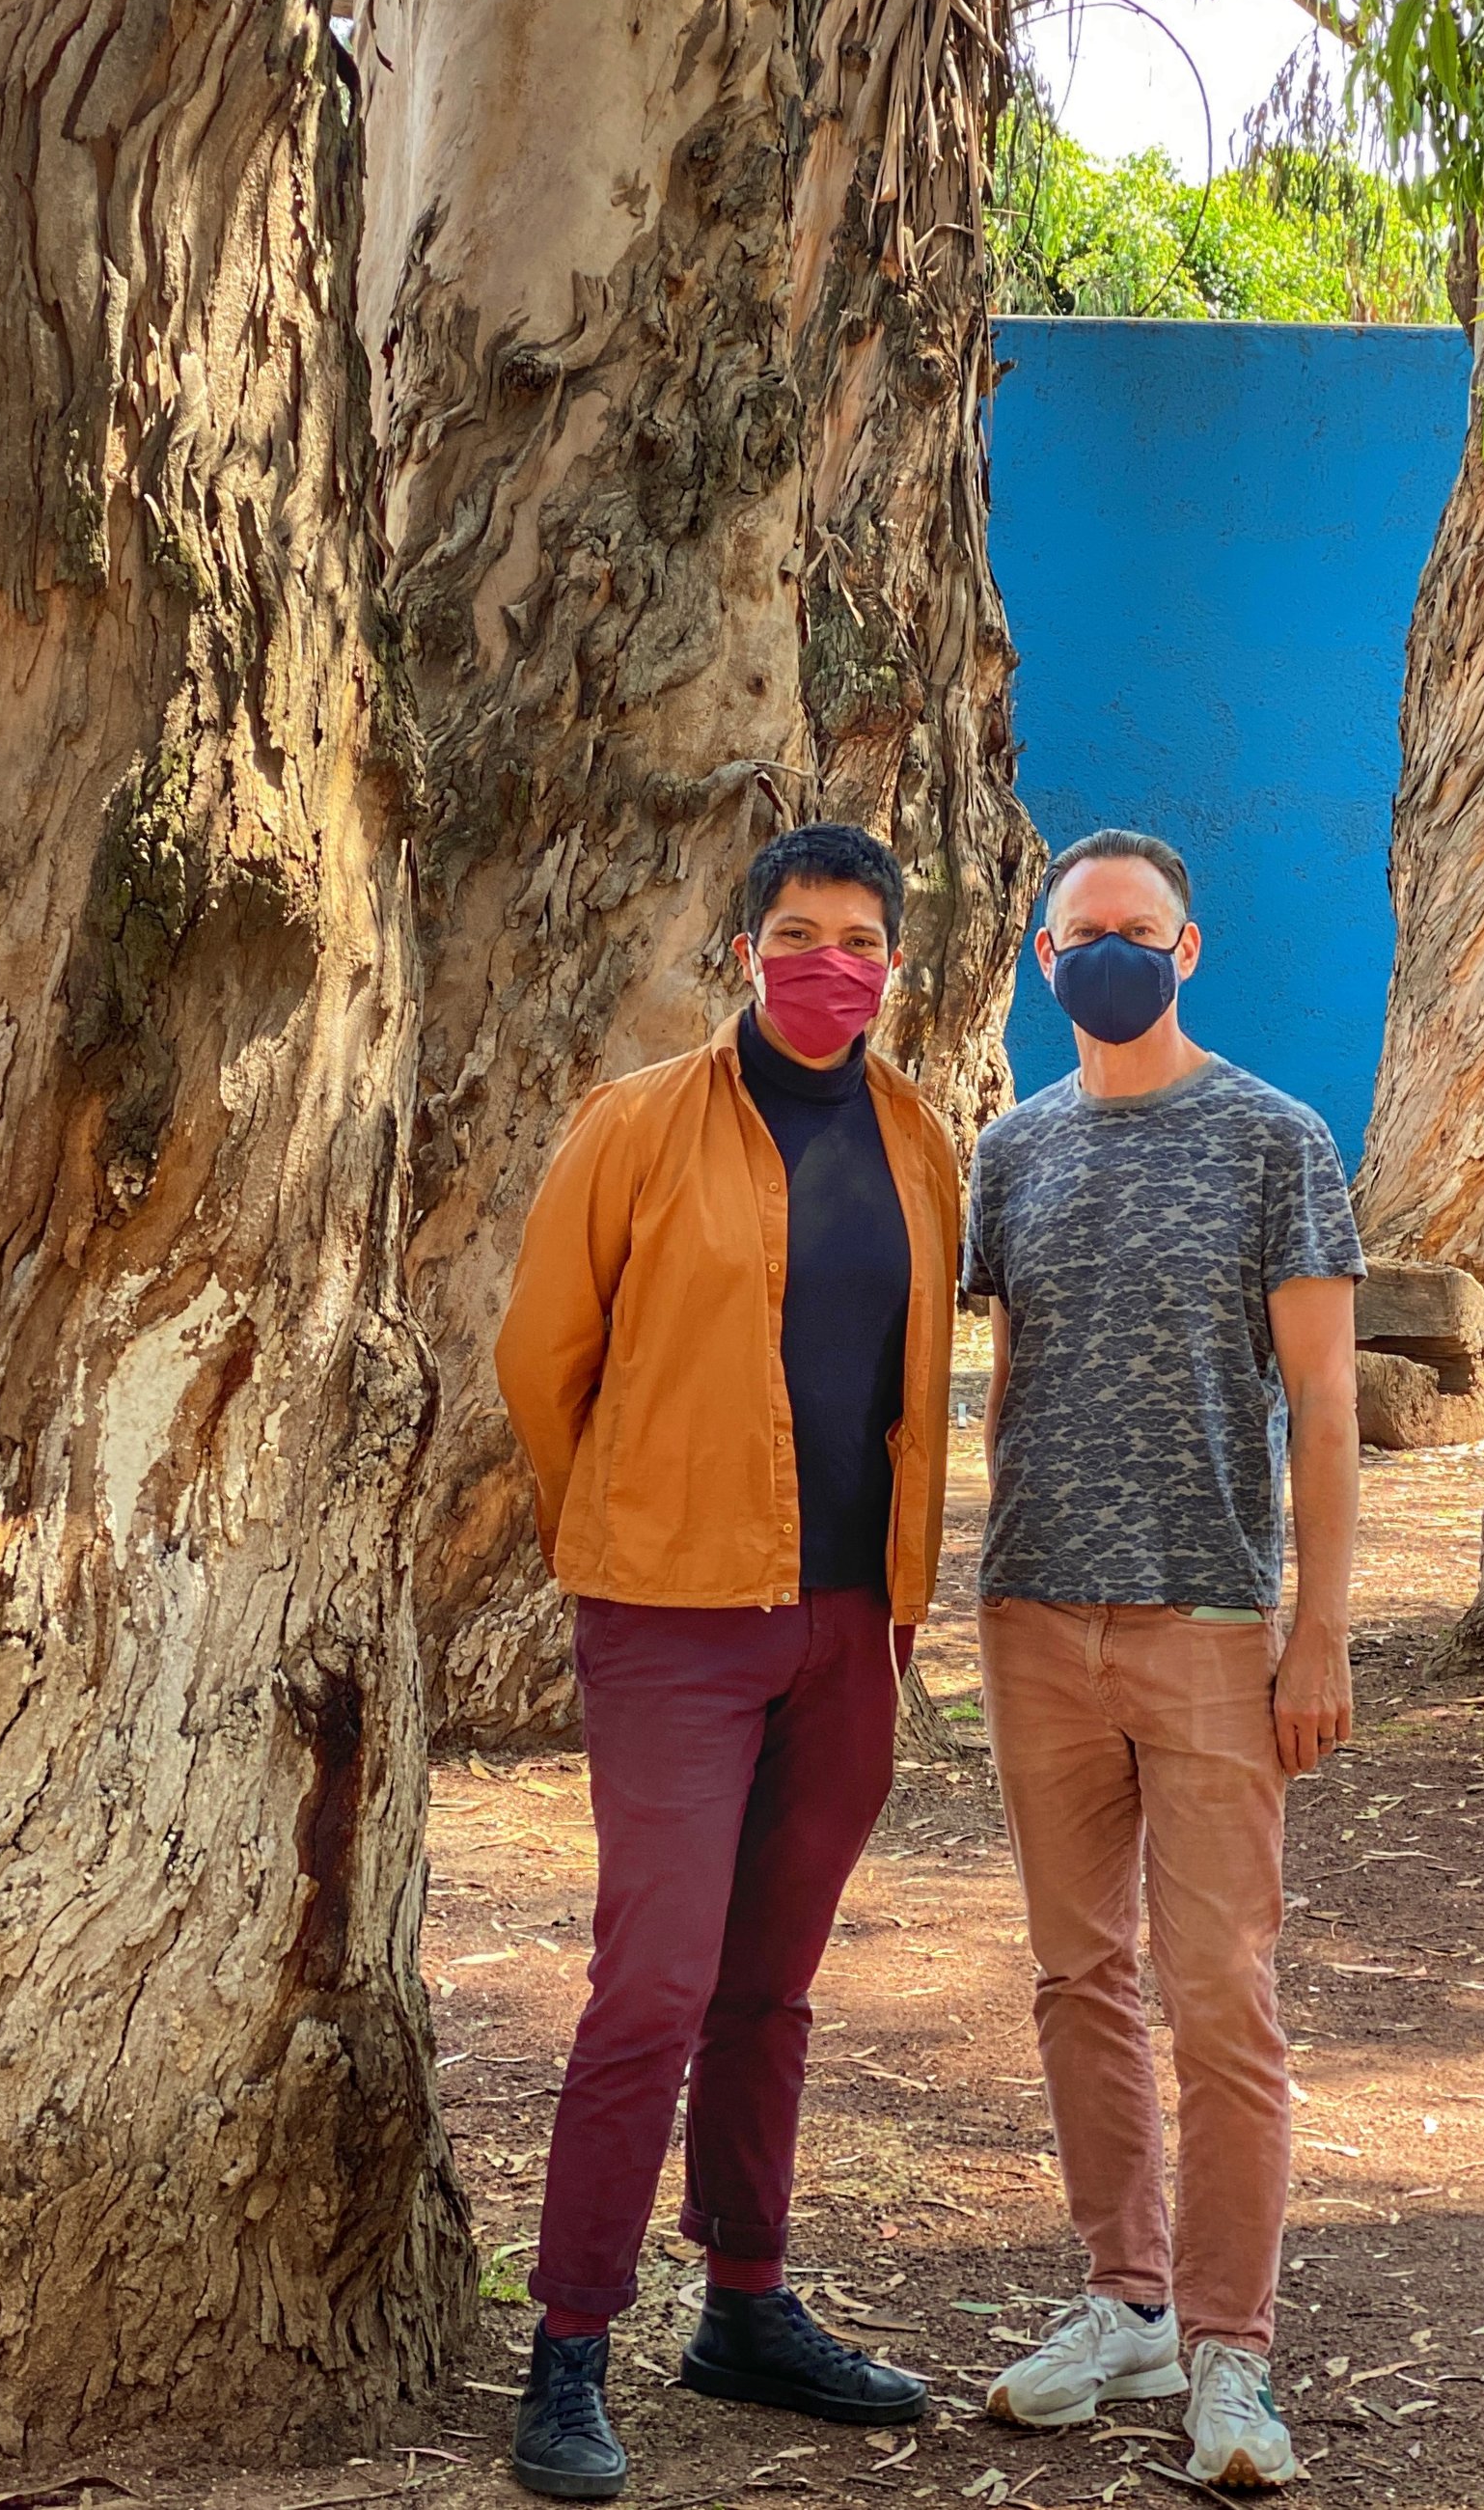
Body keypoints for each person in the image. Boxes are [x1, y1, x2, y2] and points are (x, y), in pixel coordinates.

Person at [492, 822, 960, 2502]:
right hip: (673, 1623)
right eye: (795, 929)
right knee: (655, 1984)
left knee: (771, 1983)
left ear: (895, 962)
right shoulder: (634, 1126)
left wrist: (886, 1605)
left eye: (857, 935)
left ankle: (745, 2307)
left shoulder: (923, 1143)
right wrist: (627, 1535)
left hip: (851, 1625)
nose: (826, 958)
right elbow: (544, 1361)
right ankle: (570, 2343)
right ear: (748, 947)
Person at [964, 829, 1365, 2491]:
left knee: (1224, 1998)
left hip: (1208, 1622)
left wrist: (1318, 1628)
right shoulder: (1010, 1151)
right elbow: (1007, 1378)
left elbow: (1328, 1407)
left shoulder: (1275, 1138)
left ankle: (1232, 2352)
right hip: (1035, 1619)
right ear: (1045, 961)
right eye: (1080, 935)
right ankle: (1123, 2301)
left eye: (1139, 930)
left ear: (1186, 949)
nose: (1110, 955)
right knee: (1079, 1979)